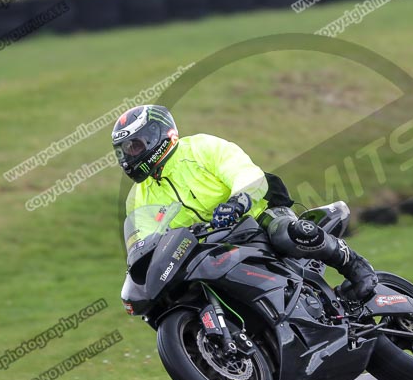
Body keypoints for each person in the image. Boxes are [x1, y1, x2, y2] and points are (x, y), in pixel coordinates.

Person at [113, 104, 377, 302]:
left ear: (157, 135)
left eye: (134, 146)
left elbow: (247, 174)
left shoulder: (201, 148)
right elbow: (144, 242)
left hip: (257, 217)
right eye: (123, 151)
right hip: (207, 247)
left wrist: (238, 201)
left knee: (287, 234)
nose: (128, 157)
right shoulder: (138, 197)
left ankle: (353, 264)